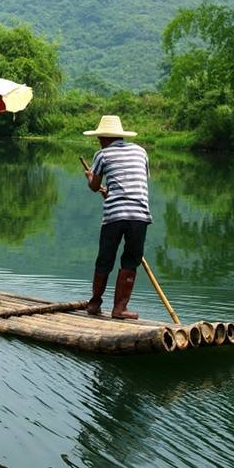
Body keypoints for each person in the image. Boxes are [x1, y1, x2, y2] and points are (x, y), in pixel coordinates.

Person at [82, 115, 151, 319]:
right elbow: (132, 183)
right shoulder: (141, 151)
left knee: (105, 258)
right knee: (131, 260)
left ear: (103, 137)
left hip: (115, 215)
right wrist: (110, 192)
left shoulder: (102, 155)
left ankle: (94, 303)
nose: (99, 141)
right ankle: (119, 309)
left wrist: (90, 178)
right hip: (139, 214)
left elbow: (95, 186)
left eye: (99, 138)